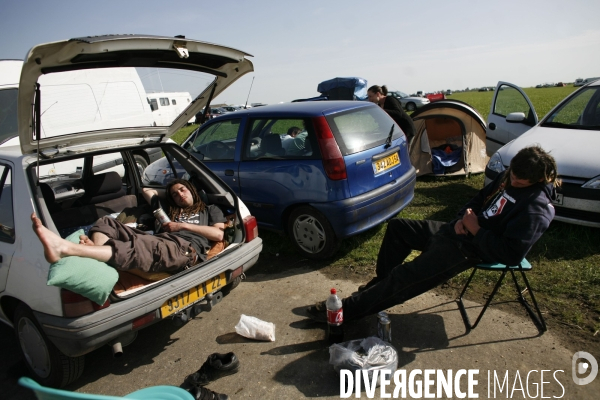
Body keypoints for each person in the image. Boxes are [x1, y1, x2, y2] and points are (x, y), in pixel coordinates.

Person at [307, 145, 559, 322]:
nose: (513, 181)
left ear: (538, 180)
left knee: (405, 276)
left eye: (520, 182)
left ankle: (341, 313)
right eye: (512, 175)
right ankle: (377, 291)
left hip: (472, 249)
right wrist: (463, 218)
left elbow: (512, 253)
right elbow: (480, 198)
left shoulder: (536, 207)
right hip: (458, 231)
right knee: (398, 229)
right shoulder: (511, 175)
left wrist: (476, 229)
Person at [31, 179, 226, 273]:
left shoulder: (209, 209)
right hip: (157, 240)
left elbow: (217, 235)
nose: (180, 194)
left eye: (183, 190)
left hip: (184, 249)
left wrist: (181, 226)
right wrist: (168, 198)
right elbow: (147, 190)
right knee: (107, 222)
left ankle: (69, 249)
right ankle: (99, 251)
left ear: (192, 190)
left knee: (139, 247)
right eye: (175, 194)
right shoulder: (169, 211)